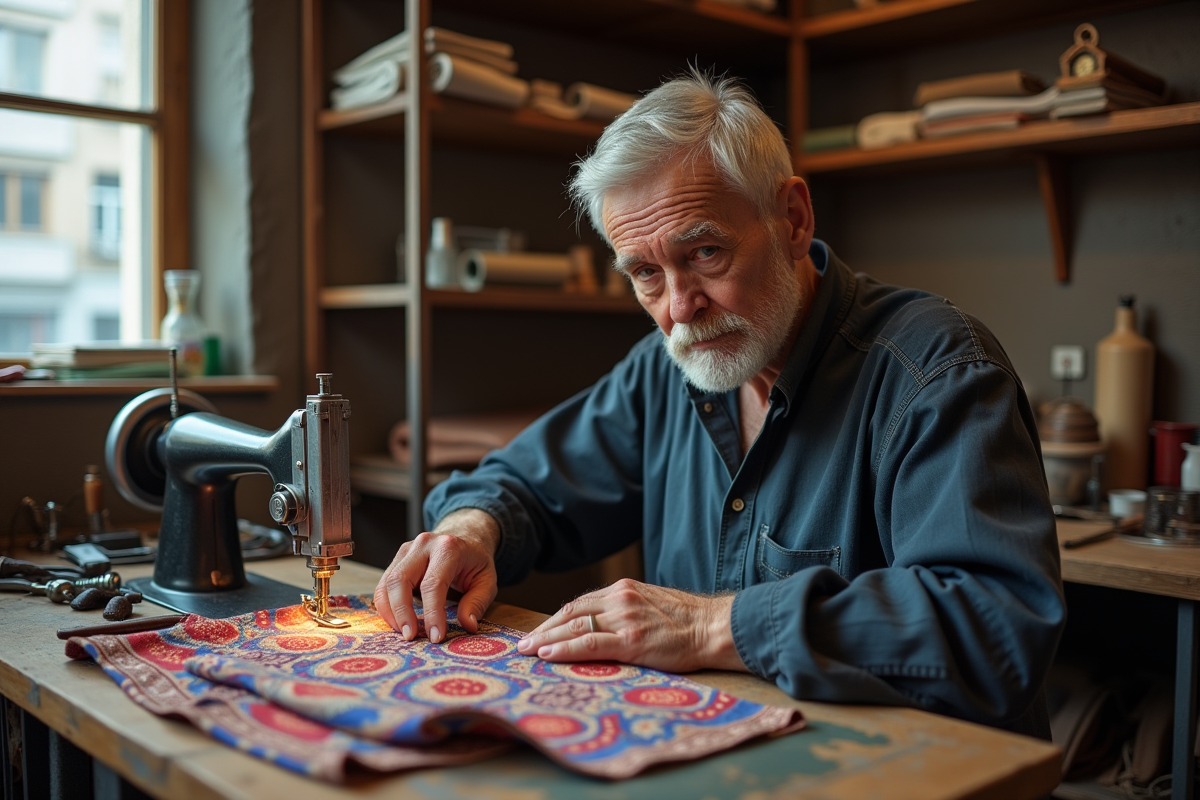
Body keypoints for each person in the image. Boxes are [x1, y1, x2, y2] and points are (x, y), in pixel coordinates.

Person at [374, 69, 1066, 738]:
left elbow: (994, 628)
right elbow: (519, 485)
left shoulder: (937, 372)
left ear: (792, 219)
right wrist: (471, 529)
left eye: (705, 253)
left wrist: (711, 626)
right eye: (646, 273)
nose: (679, 310)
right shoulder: (667, 371)